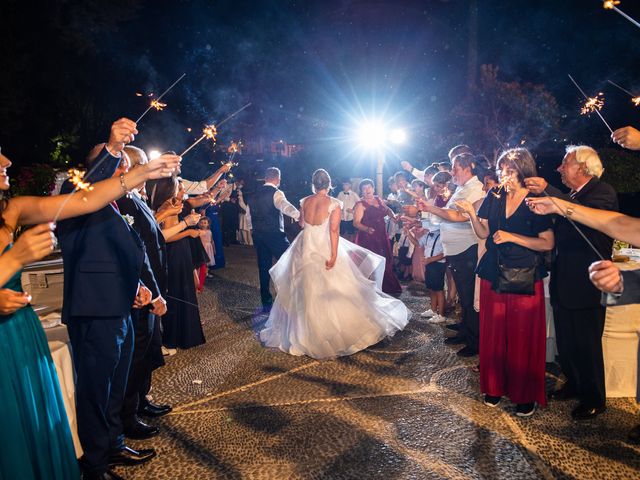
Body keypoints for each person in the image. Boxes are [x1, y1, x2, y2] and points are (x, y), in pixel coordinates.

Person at [259, 169, 409, 359]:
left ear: (313, 184)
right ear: (329, 184)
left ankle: (304, 332)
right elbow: (334, 231)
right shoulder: (334, 203)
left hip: (305, 247)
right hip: (323, 247)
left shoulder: (304, 201)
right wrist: (333, 255)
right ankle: (327, 333)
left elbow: (302, 224)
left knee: (305, 288)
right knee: (333, 286)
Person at [457, 148, 554, 417]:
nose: (504, 175)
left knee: (522, 336)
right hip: (494, 272)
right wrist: (471, 215)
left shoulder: (536, 199)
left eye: (509, 170)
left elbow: (547, 242)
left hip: (524, 274)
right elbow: (484, 232)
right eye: (502, 169)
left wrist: (513, 237)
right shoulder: (495, 194)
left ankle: (524, 394)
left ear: (524, 171)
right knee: (494, 333)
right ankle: (494, 387)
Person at [525, 145, 618, 420]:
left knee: (587, 344)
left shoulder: (602, 193)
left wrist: (549, 191)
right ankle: (575, 384)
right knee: (567, 342)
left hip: (589, 283)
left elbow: (581, 216)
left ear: (583, 167)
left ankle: (594, 398)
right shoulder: (572, 195)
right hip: (565, 280)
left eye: (565, 163)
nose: (559, 168)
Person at [116, 146, 177, 441]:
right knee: (137, 354)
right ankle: (128, 415)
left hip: (152, 287)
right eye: (143, 164)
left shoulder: (137, 200)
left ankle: (142, 400)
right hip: (140, 291)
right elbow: (134, 253)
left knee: (149, 349)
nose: (148, 168)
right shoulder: (123, 203)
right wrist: (149, 291)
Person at [405, 153, 485, 357]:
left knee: (469, 298)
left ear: (467, 167)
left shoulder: (475, 189)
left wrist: (430, 207)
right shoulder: (460, 188)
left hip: (467, 249)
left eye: (454, 168)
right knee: (463, 297)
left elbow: (459, 217)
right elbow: (441, 220)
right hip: (455, 249)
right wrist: (424, 215)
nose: (452, 172)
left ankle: (475, 341)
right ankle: (465, 331)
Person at [150, 178, 205, 350]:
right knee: (177, 292)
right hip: (174, 253)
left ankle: (185, 335)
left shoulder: (176, 205)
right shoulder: (167, 207)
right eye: (179, 189)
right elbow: (165, 236)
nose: (183, 192)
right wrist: (188, 230)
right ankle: (174, 337)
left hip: (182, 251)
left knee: (185, 291)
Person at [249, 167, 300, 311]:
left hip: (259, 235)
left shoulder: (252, 194)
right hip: (274, 235)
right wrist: (298, 216)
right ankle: (289, 297)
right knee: (290, 262)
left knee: (263, 267)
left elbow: (249, 215)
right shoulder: (276, 192)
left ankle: (266, 302)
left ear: (265, 178)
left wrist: (253, 230)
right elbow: (285, 206)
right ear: (278, 178)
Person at [354, 179, 403, 296]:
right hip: (368, 237)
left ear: (373, 188)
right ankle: (370, 287)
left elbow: (387, 209)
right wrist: (366, 229)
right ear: (361, 191)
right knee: (370, 262)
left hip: (381, 235)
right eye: (364, 188)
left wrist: (393, 216)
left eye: (369, 187)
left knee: (385, 259)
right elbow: (356, 223)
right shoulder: (360, 204)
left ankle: (384, 286)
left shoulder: (378, 199)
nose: (367, 190)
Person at [197, 217, 216, 290]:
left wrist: (214, 249)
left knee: (208, 262)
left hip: (208, 247)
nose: (203, 224)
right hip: (202, 248)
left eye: (205, 223)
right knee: (202, 262)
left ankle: (206, 273)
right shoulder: (198, 231)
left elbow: (212, 240)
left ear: (208, 224)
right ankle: (201, 274)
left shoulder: (210, 231)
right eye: (201, 222)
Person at [236, 180, 253, 245]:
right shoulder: (239, 192)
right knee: (243, 228)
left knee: (247, 228)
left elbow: (242, 202)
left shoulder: (246, 192)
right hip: (242, 212)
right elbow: (240, 203)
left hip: (246, 212)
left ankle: (249, 241)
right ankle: (245, 241)